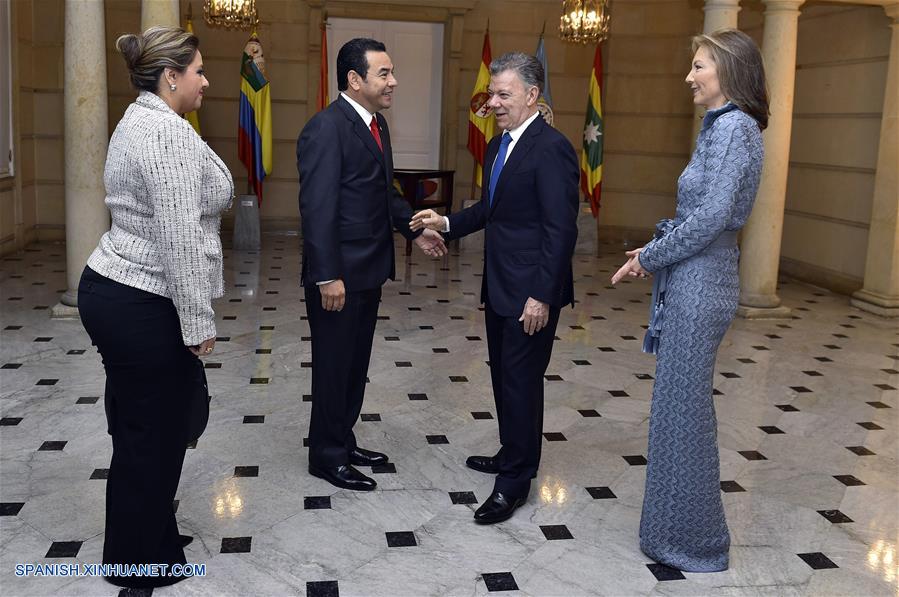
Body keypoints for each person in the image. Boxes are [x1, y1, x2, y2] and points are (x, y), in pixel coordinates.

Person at [77, 27, 233, 588]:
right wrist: (197, 323)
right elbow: (178, 237)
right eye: (199, 71)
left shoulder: (145, 117)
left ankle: (148, 539)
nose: (206, 81)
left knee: (141, 426)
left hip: (118, 289)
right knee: (155, 432)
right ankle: (136, 562)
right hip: (141, 296)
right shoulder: (163, 133)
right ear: (172, 77)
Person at [611, 29, 768, 572]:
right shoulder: (722, 127)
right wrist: (655, 247)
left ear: (727, 69)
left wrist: (651, 257)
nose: (689, 76)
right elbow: (700, 219)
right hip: (696, 276)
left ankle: (694, 542)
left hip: (702, 284)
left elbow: (708, 219)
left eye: (699, 66)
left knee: (684, 413)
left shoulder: (735, 129)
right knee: (677, 411)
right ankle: (676, 533)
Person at [411, 52, 579, 524]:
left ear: (532, 95)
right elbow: (490, 209)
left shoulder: (552, 148)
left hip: (531, 292)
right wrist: (444, 221)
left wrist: (542, 294)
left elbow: (560, 230)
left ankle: (515, 483)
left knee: (522, 384)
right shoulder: (498, 146)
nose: (496, 103)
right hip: (500, 285)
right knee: (504, 378)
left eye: (505, 94)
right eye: (493, 94)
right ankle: (511, 454)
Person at [297, 38, 447, 492]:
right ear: (354, 80)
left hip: (367, 272)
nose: (393, 81)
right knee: (333, 364)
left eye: (392, 72)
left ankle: (343, 438)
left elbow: (382, 194)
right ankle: (326, 455)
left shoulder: (374, 124)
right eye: (384, 73)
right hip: (338, 276)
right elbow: (318, 208)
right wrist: (327, 275)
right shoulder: (326, 128)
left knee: (354, 363)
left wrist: (414, 228)